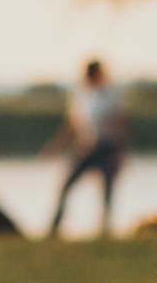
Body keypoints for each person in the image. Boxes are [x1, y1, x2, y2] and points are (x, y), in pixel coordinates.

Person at [47, 59, 130, 237]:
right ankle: (54, 228)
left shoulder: (111, 95)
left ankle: (105, 230)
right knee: (66, 186)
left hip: (107, 147)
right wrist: (57, 145)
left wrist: (119, 154)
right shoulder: (82, 95)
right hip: (85, 147)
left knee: (107, 191)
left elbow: (121, 124)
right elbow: (73, 124)